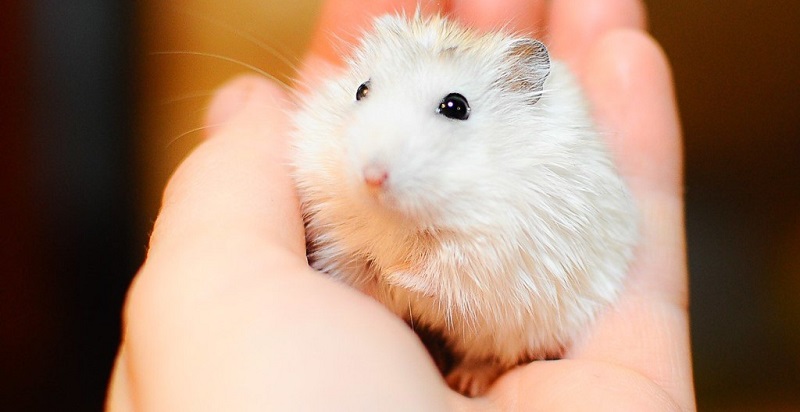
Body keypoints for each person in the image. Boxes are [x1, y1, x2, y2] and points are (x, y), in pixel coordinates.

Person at [107, 0, 695, 410]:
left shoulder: (543, 174)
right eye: (366, 93)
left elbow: (499, 284)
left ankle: (491, 364)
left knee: (513, 332)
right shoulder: (331, 140)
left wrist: (431, 279)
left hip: (515, 325)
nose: (376, 167)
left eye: (452, 109)